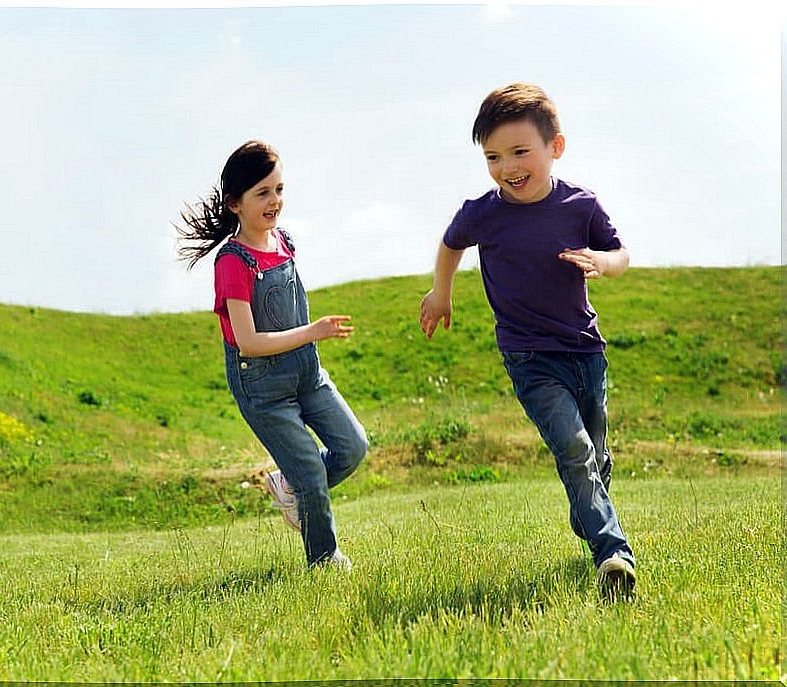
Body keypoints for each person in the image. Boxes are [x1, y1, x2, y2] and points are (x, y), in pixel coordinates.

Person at [419, 83, 637, 599]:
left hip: (586, 350)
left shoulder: (580, 205)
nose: (507, 167)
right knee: (574, 449)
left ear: (554, 148)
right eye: (493, 156)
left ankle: (588, 516)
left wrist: (602, 262)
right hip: (529, 356)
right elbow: (451, 245)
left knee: (596, 455)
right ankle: (613, 553)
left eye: (520, 152)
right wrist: (440, 292)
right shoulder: (484, 212)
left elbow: (620, 252)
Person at [176, 140, 367, 571]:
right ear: (235, 205)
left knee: (353, 447)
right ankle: (324, 559)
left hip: (307, 375)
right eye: (263, 193)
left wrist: (309, 341)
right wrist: (314, 331)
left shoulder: (285, 242)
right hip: (263, 388)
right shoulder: (231, 263)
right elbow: (248, 341)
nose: (275, 201)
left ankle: (289, 484)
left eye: (279, 189)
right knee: (313, 478)